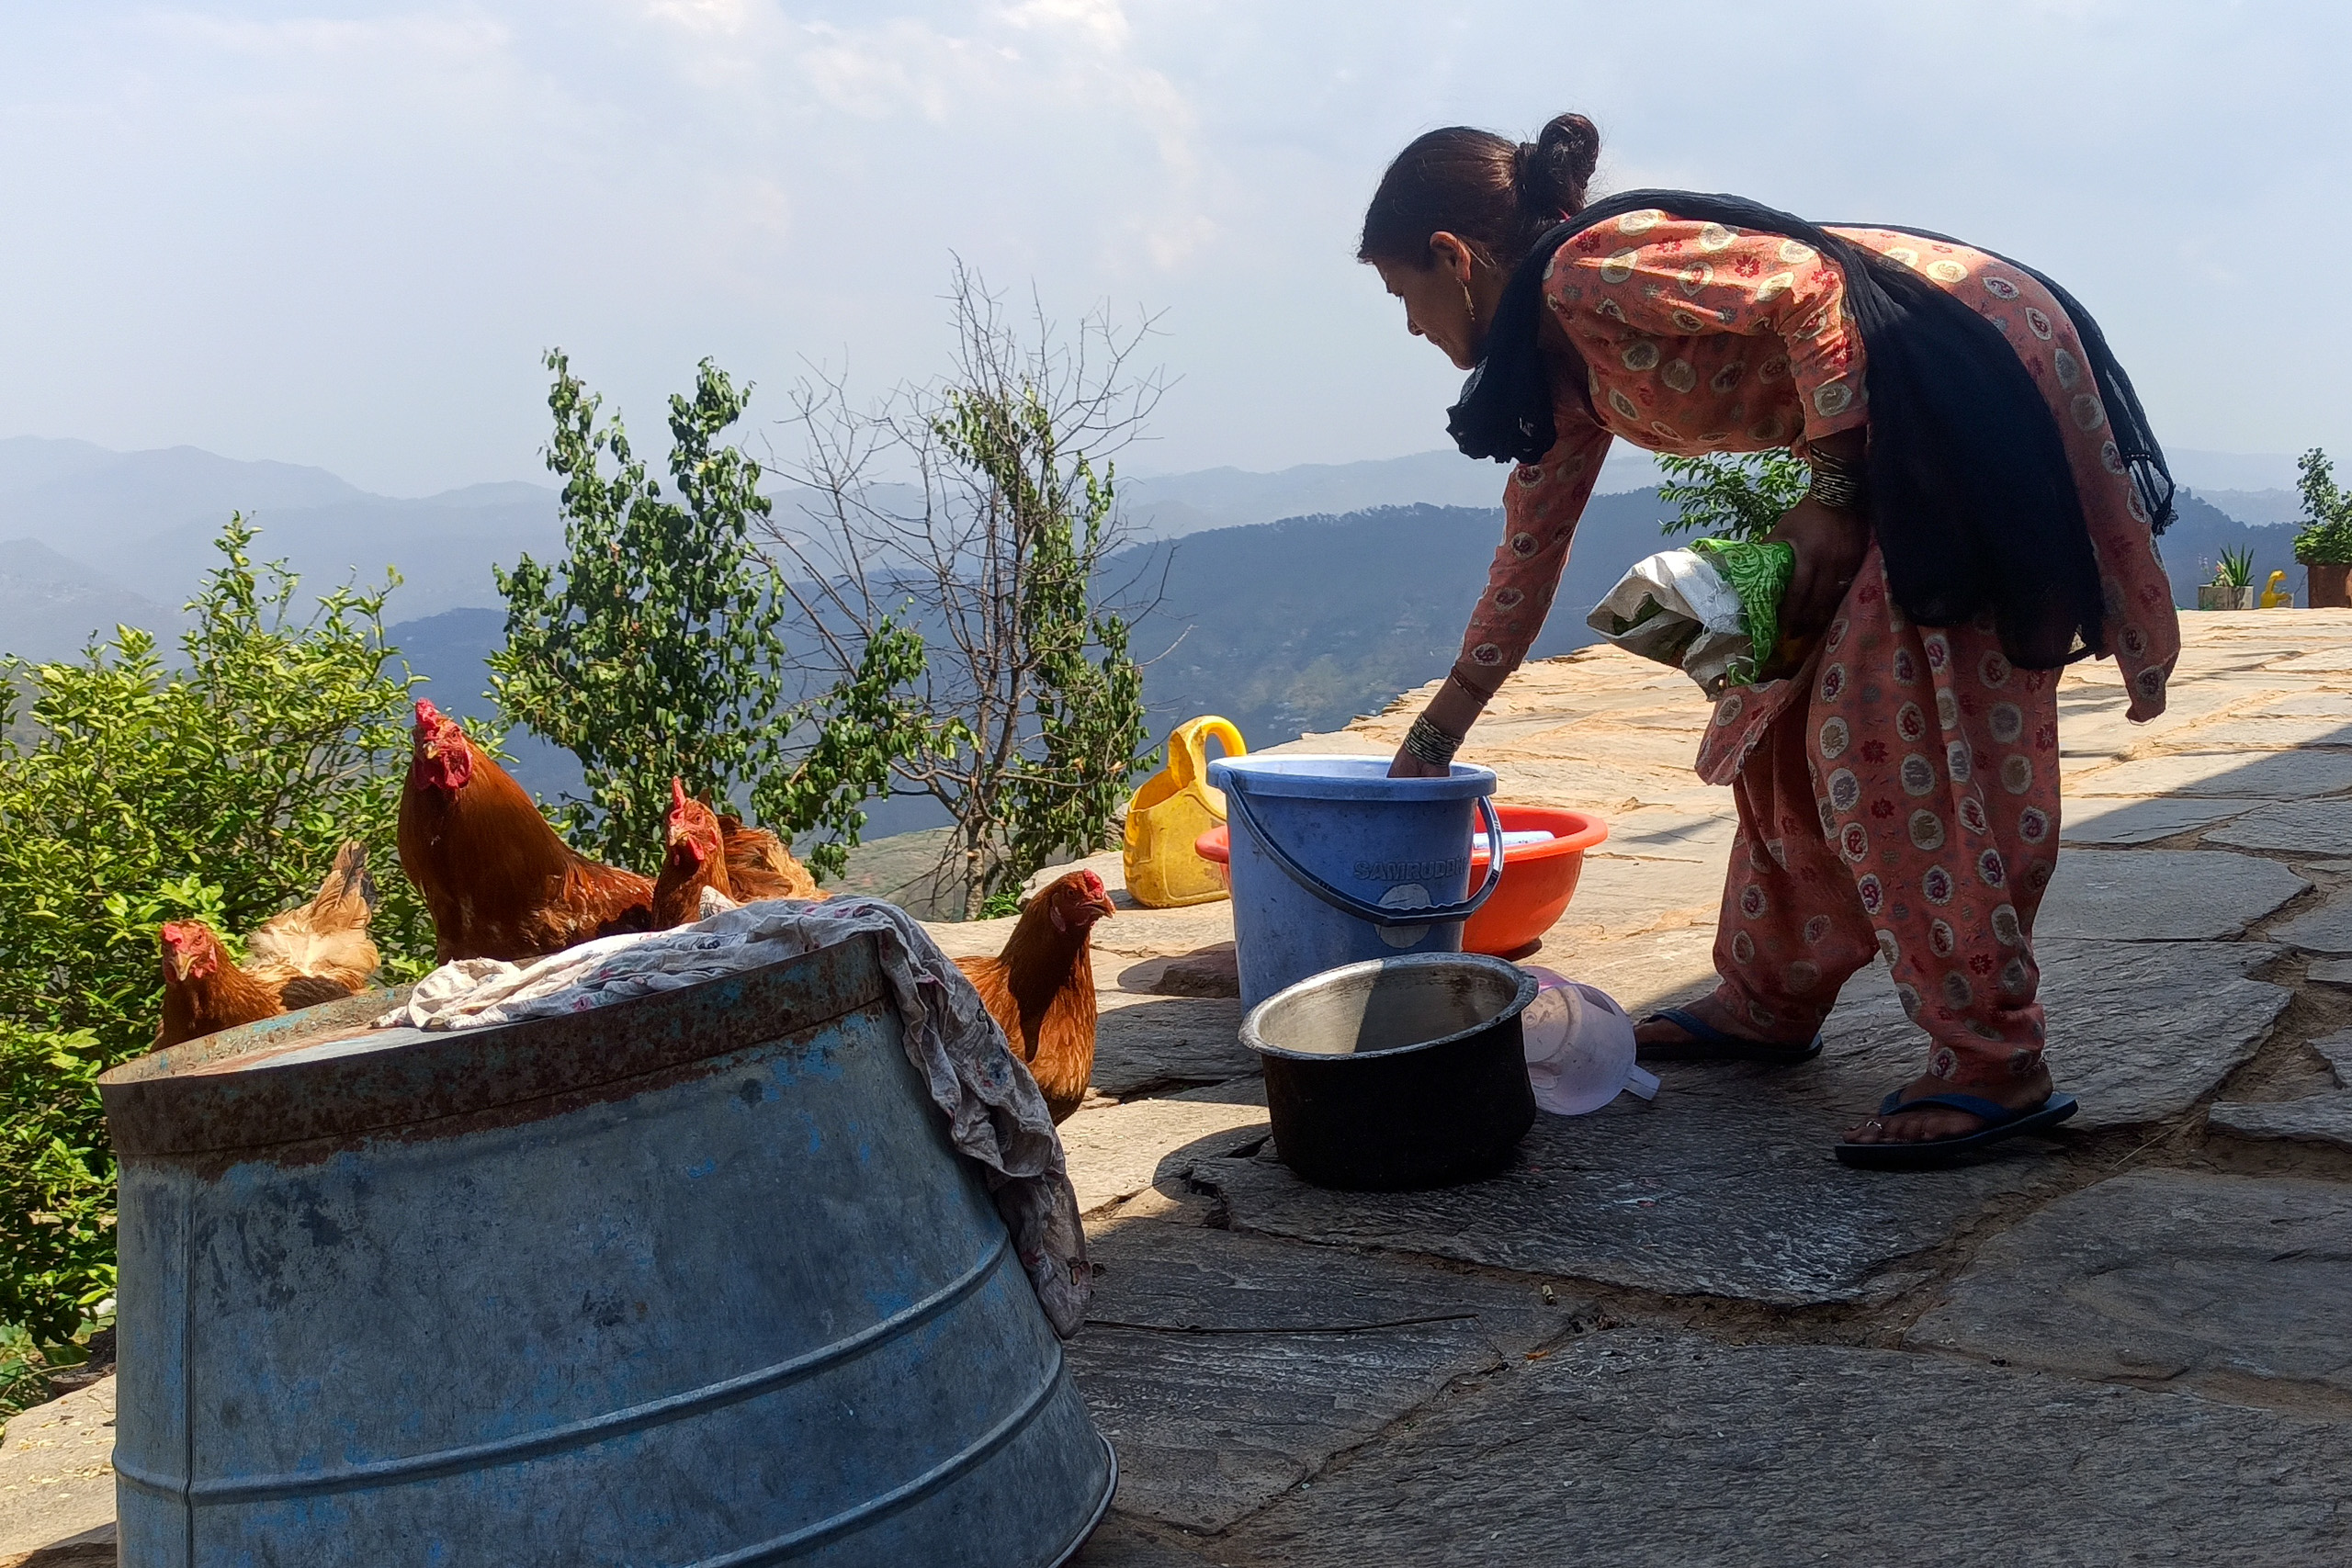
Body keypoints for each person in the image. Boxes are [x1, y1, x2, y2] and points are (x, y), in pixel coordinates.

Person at [1363, 114, 2180, 1168]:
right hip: (1895, 421)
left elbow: (1808, 289)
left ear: (1453, 258)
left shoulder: (1584, 270)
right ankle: (1768, 996)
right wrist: (1431, 744)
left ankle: (1992, 1057)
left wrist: (1830, 492)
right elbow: (1527, 559)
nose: (1410, 328)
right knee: (1772, 708)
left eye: (1402, 295)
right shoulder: (1556, 361)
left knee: (1878, 736)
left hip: (1962, 380)